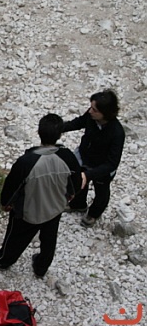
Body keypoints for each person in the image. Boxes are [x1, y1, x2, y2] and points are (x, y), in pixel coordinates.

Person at [0, 114, 82, 277]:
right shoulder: (67, 157)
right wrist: (70, 196)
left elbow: (12, 186)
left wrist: (5, 203)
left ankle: (3, 260)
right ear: (60, 135)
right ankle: (41, 267)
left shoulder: (26, 161)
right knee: (49, 240)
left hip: (28, 211)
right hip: (55, 208)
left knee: (15, 237)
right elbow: (76, 182)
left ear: (39, 132)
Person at [62, 89, 125, 228]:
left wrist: (89, 174)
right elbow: (79, 122)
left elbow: (112, 163)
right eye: (90, 107)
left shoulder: (117, 133)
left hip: (102, 168)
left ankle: (94, 213)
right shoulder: (91, 116)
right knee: (79, 183)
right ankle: (78, 204)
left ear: (105, 113)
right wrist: (61, 128)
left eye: (94, 109)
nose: (90, 111)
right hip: (84, 157)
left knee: (101, 192)